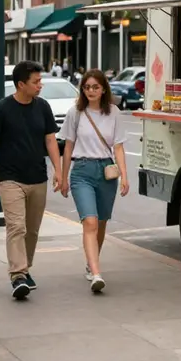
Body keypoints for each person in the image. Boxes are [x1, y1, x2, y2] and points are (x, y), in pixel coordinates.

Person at [0, 60, 62, 300]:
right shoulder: (1, 109)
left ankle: (24, 268)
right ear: (21, 84)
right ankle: (17, 275)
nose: (40, 86)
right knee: (16, 227)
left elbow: (50, 141)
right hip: (10, 178)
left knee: (32, 231)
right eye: (36, 82)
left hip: (38, 177)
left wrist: (59, 171)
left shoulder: (43, 107)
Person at [60, 69, 129, 293]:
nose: (91, 91)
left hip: (106, 172)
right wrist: (63, 177)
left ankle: (91, 263)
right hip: (81, 171)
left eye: (95, 87)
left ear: (103, 89)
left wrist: (125, 176)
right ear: (82, 89)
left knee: (100, 223)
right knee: (89, 221)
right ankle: (96, 273)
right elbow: (68, 146)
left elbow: (118, 147)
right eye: (87, 87)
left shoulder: (114, 113)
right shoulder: (75, 113)